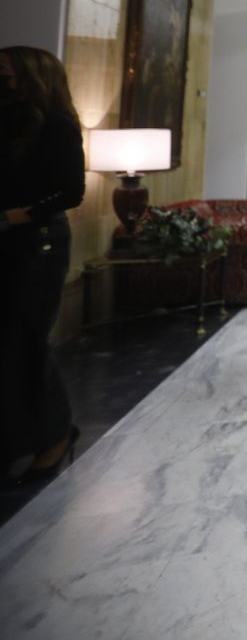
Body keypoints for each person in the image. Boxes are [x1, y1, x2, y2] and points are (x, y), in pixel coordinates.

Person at [1, 46, 85, 485]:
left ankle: (55, 436)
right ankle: (15, 439)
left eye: (7, 72)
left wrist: (17, 216)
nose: (3, 79)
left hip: (39, 244)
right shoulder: (11, 121)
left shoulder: (58, 126)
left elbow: (71, 192)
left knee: (28, 339)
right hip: (8, 243)